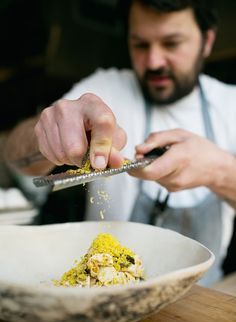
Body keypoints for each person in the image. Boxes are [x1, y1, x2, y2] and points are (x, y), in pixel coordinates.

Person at [4, 0, 236, 285]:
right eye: (140, 44)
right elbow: (13, 157)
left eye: (172, 43)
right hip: (102, 292)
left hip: (205, 297)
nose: (154, 62)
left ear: (207, 41)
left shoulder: (230, 105)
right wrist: (44, 136)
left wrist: (222, 171)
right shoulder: (105, 89)